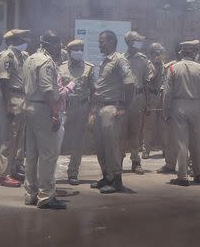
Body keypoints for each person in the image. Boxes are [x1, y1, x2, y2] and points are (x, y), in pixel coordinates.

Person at [22, 30, 66, 210]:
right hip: (43, 108)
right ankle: (46, 195)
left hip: (29, 106)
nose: (59, 49)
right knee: (48, 154)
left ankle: (30, 194)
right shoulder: (46, 62)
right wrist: (55, 114)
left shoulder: (30, 58)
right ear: (51, 45)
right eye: (58, 45)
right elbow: (48, 90)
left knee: (32, 154)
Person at [89, 30, 134, 194]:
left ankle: (116, 180)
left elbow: (130, 83)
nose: (100, 44)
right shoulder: (105, 61)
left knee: (112, 146)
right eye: (99, 41)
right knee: (101, 146)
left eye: (102, 41)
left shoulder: (119, 60)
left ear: (112, 42)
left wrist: (124, 106)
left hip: (111, 108)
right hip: (101, 108)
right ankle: (107, 177)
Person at [162, 40, 200, 186]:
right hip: (197, 106)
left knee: (181, 142)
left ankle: (182, 176)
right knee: (197, 142)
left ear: (181, 53)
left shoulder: (173, 68)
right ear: (193, 53)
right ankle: (198, 174)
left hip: (179, 106)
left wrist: (166, 112)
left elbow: (167, 93)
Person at [0, 29, 31, 188]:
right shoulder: (7, 56)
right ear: (14, 40)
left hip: (23, 98)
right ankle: (3, 175)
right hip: (12, 98)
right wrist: (9, 104)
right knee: (9, 138)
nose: (27, 41)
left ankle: (15, 169)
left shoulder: (22, 56)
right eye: (24, 38)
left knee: (19, 139)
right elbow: (4, 81)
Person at [57, 39, 93, 185]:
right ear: (69, 51)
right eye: (75, 49)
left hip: (82, 107)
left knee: (78, 141)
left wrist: (92, 111)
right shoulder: (61, 67)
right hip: (65, 108)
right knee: (58, 139)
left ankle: (73, 172)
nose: (79, 51)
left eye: (81, 48)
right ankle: (49, 172)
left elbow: (94, 90)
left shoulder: (89, 68)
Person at [123, 30, 150, 175]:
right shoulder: (120, 59)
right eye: (137, 40)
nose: (140, 43)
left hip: (138, 98)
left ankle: (135, 161)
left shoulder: (143, 59)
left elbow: (146, 82)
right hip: (123, 99)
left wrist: (148, 103)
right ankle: (118, 160)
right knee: (120, 131)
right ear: (129, 43)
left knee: (135, 131)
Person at [157, 43, 181, 175]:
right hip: (173, 107)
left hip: (180, 107)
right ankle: (170, 164)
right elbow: (164, 89)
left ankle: (190, 165)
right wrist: (165, 109)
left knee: (188, 139)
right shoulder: (169, 67)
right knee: (171, 137)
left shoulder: (194, 66)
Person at [142, 42, 165, 160]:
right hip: (151, 96)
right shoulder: (148, 65)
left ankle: (166, 149)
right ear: (151, 54)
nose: (160, 55)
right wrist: (148, 103)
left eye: (161, 53)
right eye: (157, 53)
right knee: (149, 125)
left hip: (161, 95)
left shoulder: (163, 65)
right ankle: (146, 150)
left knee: (164, 124)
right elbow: (147, 82)